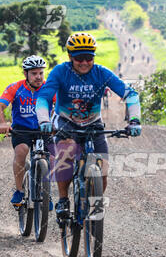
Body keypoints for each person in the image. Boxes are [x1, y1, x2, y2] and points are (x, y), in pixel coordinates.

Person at [36, 32, 142, 222]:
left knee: (103, 172)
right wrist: (44, 121)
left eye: (89, 57)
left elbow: (131, 95)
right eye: (79, 58)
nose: (84, 62)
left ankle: (93, 206)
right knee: (66, 153)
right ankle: (63, 200)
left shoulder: (101, 73)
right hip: (66, 121)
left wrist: (134, 120)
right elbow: (43, 98)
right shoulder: (60, 72)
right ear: (70, 56)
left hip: (93, 124)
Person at [0, 56, 54, 207]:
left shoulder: (49, 89)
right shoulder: (15, 88)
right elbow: (0, 106)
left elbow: (61, 107)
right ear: (26, 74)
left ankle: (46, 193)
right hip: (21, 130)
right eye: (34, 73)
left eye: (41, 73)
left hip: (43, 129)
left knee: (49, 159)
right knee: (21, 151)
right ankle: (19, 190)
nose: (38, 77)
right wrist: (3, 123)